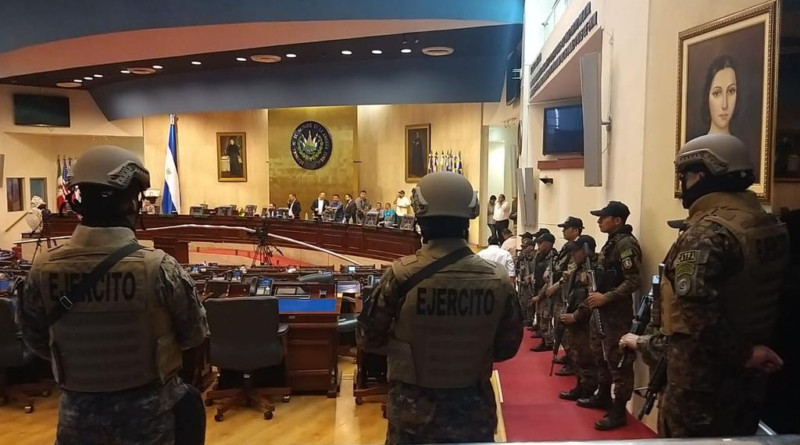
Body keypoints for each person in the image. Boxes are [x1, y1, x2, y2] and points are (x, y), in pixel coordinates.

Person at [18, 145, 209, 444]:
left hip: (76, 422)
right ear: (133, 203)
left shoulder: (42, 270)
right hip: (151, 422)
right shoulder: (159, 268)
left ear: (76, 199)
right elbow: (194, 334)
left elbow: (35, 340)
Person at [620, 134, 788, 437]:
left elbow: (696, 310)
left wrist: (744, 353)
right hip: (748, 377)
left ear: (702, 174)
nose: (684, 184)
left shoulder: (707, 231)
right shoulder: (766, 223)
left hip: (700, 381)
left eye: (685, 176)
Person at [359, 171, 522, 444]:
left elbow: (367, 338)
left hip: (414, 416)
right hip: (472, 413)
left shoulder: (400, 275)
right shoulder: (498, 279)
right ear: (468, 219)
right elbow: (508, 346)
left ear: (421, 221)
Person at [576, 200, 641, 431]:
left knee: (618, 361)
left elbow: (633, 281)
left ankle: (618, 409)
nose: (599, 221)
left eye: (603, 217)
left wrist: (607, 297)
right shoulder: (610, 243)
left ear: (617, 220)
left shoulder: (626, 245)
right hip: (600, 310)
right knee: (600, 355)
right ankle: (602, 394)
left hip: (615, 312)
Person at [540, 217, 585, 376]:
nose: (563, 231)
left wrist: (555, 285)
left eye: (566, 228)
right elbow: (558, 266)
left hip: (569, 293)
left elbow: (570, 272)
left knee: (566, 330)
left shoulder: (580, 247)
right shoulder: (567, 247)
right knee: (561, 326)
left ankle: (572, 363)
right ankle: (568, 356)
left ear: (576, 230)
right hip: (562, 293)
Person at [558, 235, 599, 402]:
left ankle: (589, 389)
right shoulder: (579, 268)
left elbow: (591, 297)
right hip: (575, 318)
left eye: (577, 251)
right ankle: (581, 386)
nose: (574, 254)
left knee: (587, 356)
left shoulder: (594, 269)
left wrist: (575, 316)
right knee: (578, 355)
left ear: (586, 251)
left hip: (585, 319)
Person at [530, 232, 557, 352]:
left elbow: (549, 280)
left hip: (546, 292)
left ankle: (548, 342)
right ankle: (544, 338)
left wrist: (540, 295)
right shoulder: (540, 255)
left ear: (549, 243)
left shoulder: (552, 257)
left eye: (541, 243)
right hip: (537, 289)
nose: (538, 245)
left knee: (545, 318)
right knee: (540, 317)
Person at [703, 55, 738, 136]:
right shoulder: (697, 147)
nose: (724, 105)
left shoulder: (740, 147)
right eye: (717, 93)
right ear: (707, 96)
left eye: (731, 91)